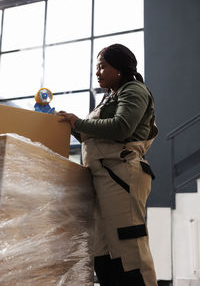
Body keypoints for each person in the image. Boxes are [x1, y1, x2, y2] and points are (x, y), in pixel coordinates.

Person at [57, 43, 158, 286]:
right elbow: (92, 137)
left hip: (121, 175)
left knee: (127, 246)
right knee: (101, 248)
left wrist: (78, 122)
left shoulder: (134, 89)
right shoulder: (108, 98)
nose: (97, 72)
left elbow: (122, 127)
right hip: (101, 177)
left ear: (119, 69)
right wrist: (70, 127)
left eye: (102, 67)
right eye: (97, 68)